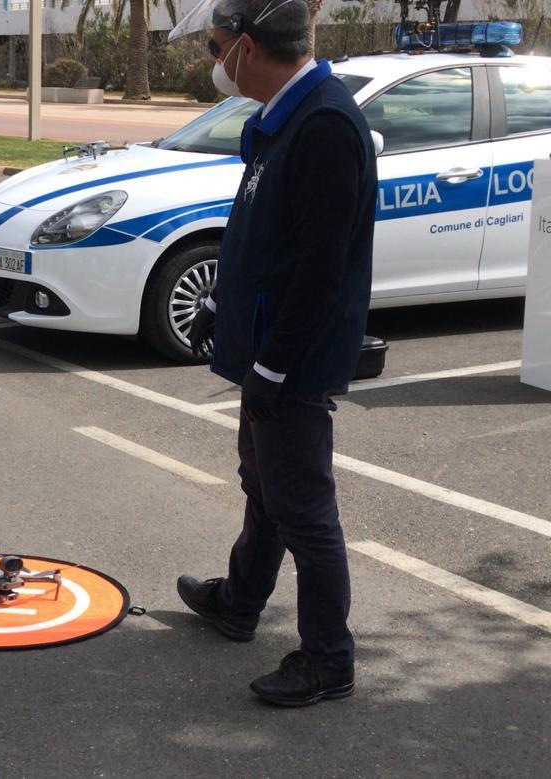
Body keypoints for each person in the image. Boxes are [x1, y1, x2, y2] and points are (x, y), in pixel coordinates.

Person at [170, 0, 378, 706]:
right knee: (266, 488)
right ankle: (240, 600)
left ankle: (328, 657)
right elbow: (272, 240)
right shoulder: (281, 122)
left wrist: (272, 366)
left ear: (249, 48)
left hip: (292, 361)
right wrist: (227, 314)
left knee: (306, 512)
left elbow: (322, 268)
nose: (213, 61)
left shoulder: (322, 124)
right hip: (267, 349)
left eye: (217, 46)